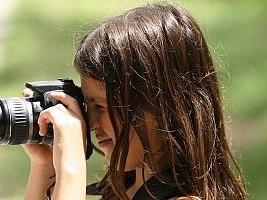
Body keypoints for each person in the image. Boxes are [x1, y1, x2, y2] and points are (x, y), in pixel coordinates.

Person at [22, 3, 247, 200]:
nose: (90, 123)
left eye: (100, 106)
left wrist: (71, 169)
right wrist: (44, 165)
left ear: (162, 107)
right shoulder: (123, 189)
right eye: (86, 106)